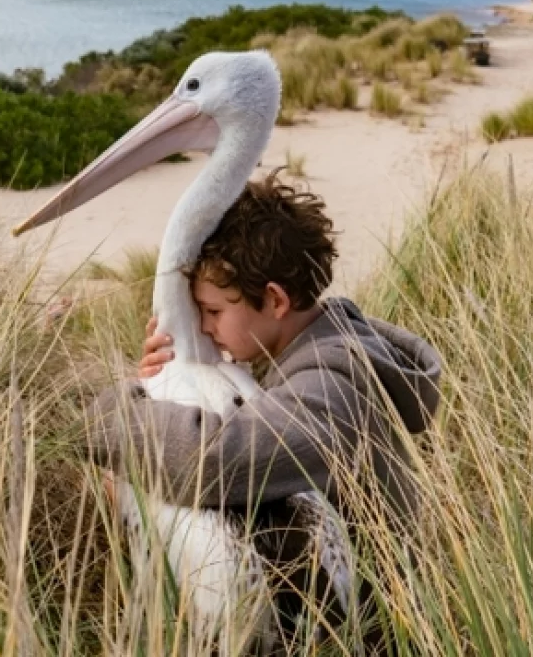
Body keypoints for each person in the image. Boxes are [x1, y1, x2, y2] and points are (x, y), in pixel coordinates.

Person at [84, 171, 442, 650]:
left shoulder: (331, 385)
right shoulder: (310, 346)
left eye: (212, 312)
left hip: (372, 632)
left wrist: (116, 410)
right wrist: (166, 379)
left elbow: (211, 460)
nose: (205, 327)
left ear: (274, 299)